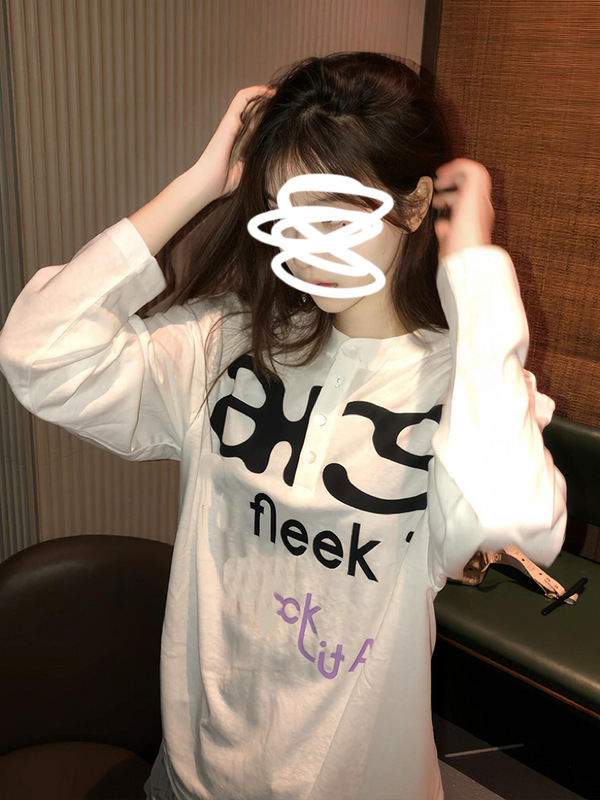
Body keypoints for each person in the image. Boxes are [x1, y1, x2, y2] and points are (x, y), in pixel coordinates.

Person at [0, 52, 566, 800]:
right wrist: (197, 186)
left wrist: (474, 270)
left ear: (412, 204)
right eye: (284, 210)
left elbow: (513, 518)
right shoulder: (228, 344)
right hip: (196, 773)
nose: (305, 245)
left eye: (332, 215)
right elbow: (38, 354)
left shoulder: (463, 383)